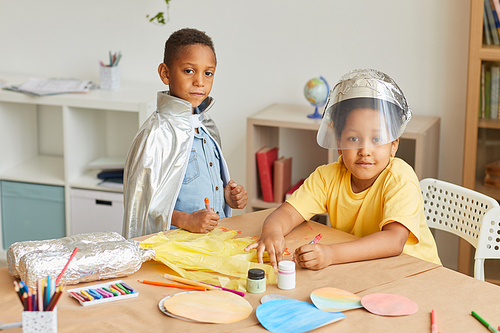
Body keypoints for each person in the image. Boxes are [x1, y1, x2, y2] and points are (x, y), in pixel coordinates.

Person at [245, 68, 441, 269]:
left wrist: (330, 254)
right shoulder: (326, 176)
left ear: (394, 145)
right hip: (366, 267)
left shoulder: (401, 179)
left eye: (377, 139)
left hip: (415, 272)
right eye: (354, 138)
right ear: (339, 143)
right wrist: (272, 232)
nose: (365, 150)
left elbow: (394, 241)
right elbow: (286, 213)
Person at [123, 28, 247, 239]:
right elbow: (142, 206)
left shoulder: (207, 127)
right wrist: (187, 220)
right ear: (165, 73)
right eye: (189, 71)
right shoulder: (156, 134)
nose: (200, 81)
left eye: (208, 73)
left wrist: (226, 196)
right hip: (174, 247)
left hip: (209, 242)